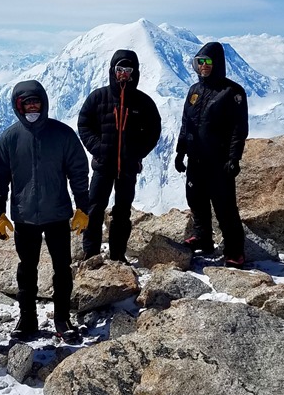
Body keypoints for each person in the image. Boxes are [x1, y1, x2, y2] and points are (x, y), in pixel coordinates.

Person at [0, 80, 90, 344]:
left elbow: (78, 171)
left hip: (57, 213)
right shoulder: (10, 138)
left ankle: (62, 317)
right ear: (17, 106)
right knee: (27, 269)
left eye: (36, 102)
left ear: (44, 103)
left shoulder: (62, 134)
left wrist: (83, 206)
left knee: (62, 268)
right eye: (27, 103)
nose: (32, 107)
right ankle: (27, 318)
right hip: (24, 217)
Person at [77, 49, 162, 262]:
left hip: (128, 166)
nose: (123, 73)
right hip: (103, 164)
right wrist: (98, 148)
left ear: (135, 72)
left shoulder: (143, 102)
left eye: (128, 69)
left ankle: (117, 254)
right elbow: (84, 124)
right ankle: (91, 252)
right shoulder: (98, 97)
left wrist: (136, 153)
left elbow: (153, 131)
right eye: (120, 69)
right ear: (113, 71)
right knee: (94, 208)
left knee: (122, 212)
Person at [174, 42, 249, 267]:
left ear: (217, 63)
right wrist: (180, 151)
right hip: (195, 158)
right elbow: (186, 123)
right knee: (196, 199)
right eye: (200, 62)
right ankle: (203, 237)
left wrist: (234, 158)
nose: (203, 66)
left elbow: (239, 129)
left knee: (224, 205)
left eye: (207, 62)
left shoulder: (232, 92)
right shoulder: (194, 90)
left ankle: (234, 250)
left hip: (219, 160)